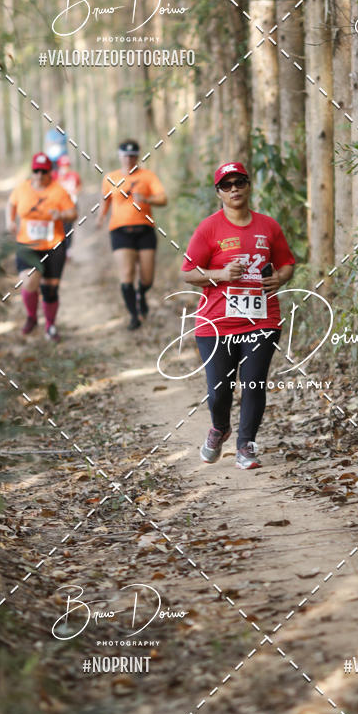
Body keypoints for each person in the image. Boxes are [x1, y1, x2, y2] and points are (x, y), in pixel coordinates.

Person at [181, 161, 295, 470]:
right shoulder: (209, 228)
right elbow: (188, 273)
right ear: (218, 192)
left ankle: (246, 446)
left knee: (254, 383)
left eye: (239, 183)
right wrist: (220, 273)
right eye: (226, 185)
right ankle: (220, 427)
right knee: (219, 391)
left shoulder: (268, 226)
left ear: (249, 185)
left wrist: (281, 278)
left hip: (262, 319)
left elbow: (287, 262)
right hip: (215, 322)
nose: (234, 189)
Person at [6, 152, 77, 341]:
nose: (39, 175)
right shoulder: (22, 189)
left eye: (43, 171)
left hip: (53, 245)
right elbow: (11, 204)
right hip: (27, 245)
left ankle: (50, 326)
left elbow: (73, 213)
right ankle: (31, 317)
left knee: (50, 288)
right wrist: (10, 221)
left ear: (50, 172)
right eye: (36, 171)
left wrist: (61, 215)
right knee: (29, 281)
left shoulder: (58, 191)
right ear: (32, 171)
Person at [98, 139, 167, 330]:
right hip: (120, 230)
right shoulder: (110, 177)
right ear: (119, 156)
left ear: (138, 156)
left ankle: (141, 294)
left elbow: (163, 199)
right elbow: (105, 200)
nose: (129, 159)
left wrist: (147, 198)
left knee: (147, 278)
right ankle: (134, 315)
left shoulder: (148, 176)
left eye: (133, 155)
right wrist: (101, 217)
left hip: (145, 230)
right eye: (125, 155)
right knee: (127, 274)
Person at [53, 154, 82, 257]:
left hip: (71, 205)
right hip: (58, 206)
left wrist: (74, 192)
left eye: (67, 165)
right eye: (63, 165)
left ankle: (67, 250)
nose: (65, 168)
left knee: (69, 228)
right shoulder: (55, 176)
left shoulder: (74, 175)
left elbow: (79, 186)